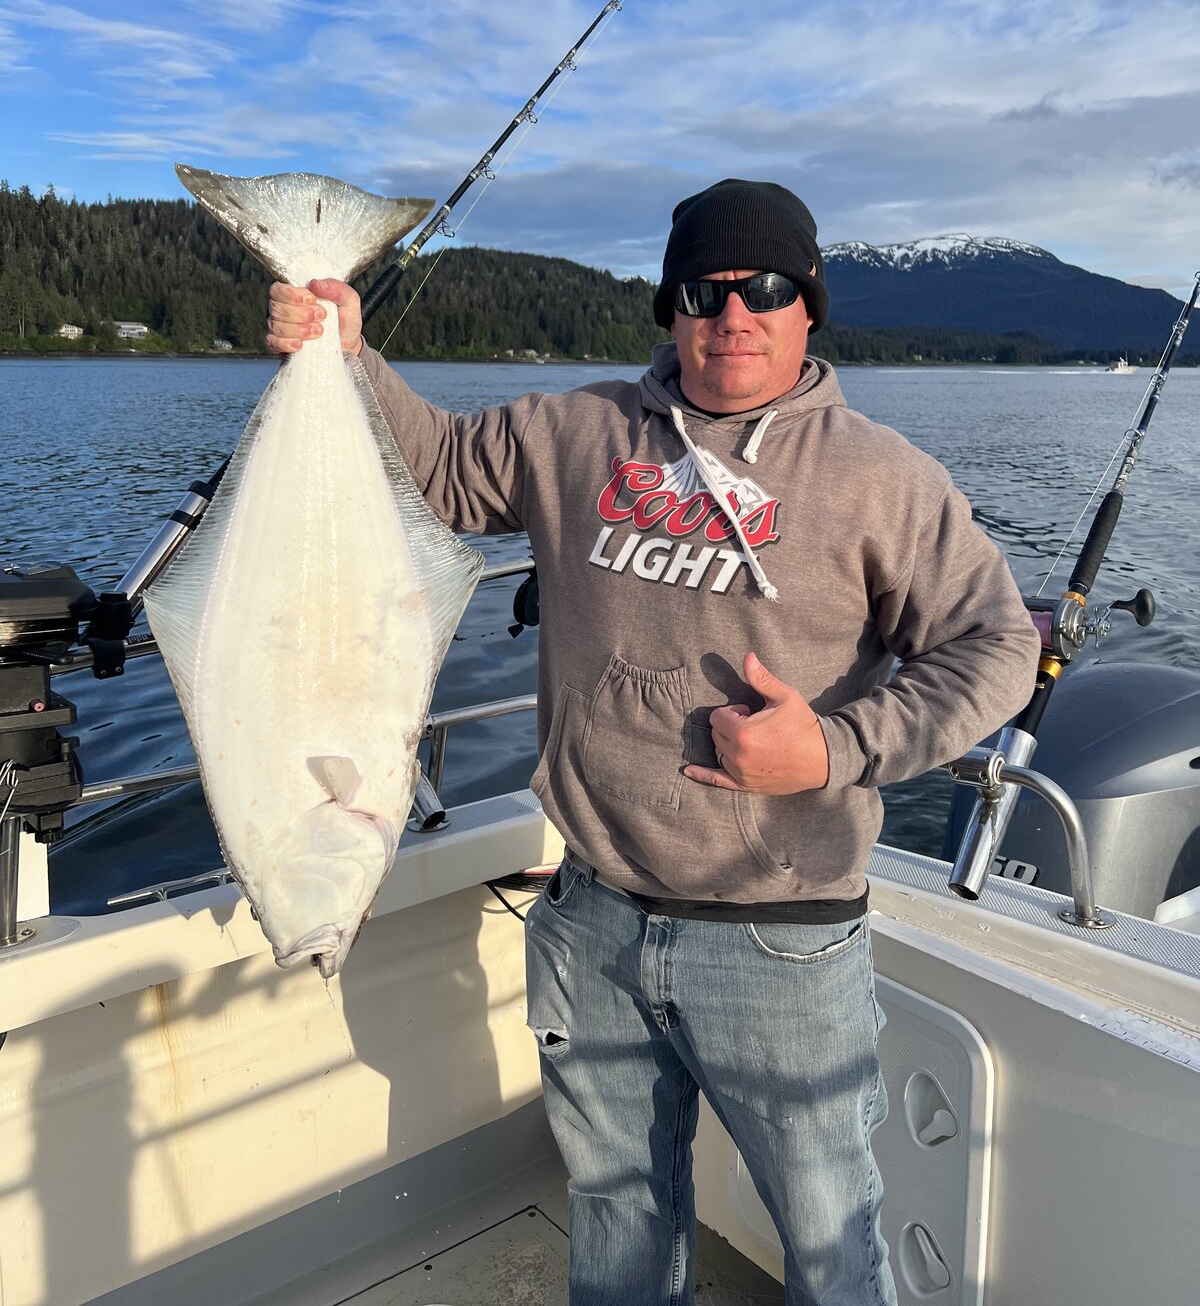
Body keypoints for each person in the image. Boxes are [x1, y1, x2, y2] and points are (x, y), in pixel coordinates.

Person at [267, 178, 1040, 1306]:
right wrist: (344, 351)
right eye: (705, 289)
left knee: (832, 1243)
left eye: (764, 288)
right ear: (671, 309)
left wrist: (828, 750)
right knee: (619, 1222)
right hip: (594, 918)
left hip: (784, 940)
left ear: (808, 305)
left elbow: (997, 645)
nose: (734, 313)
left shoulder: (886, 480)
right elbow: (430, 467)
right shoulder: (572, 434)